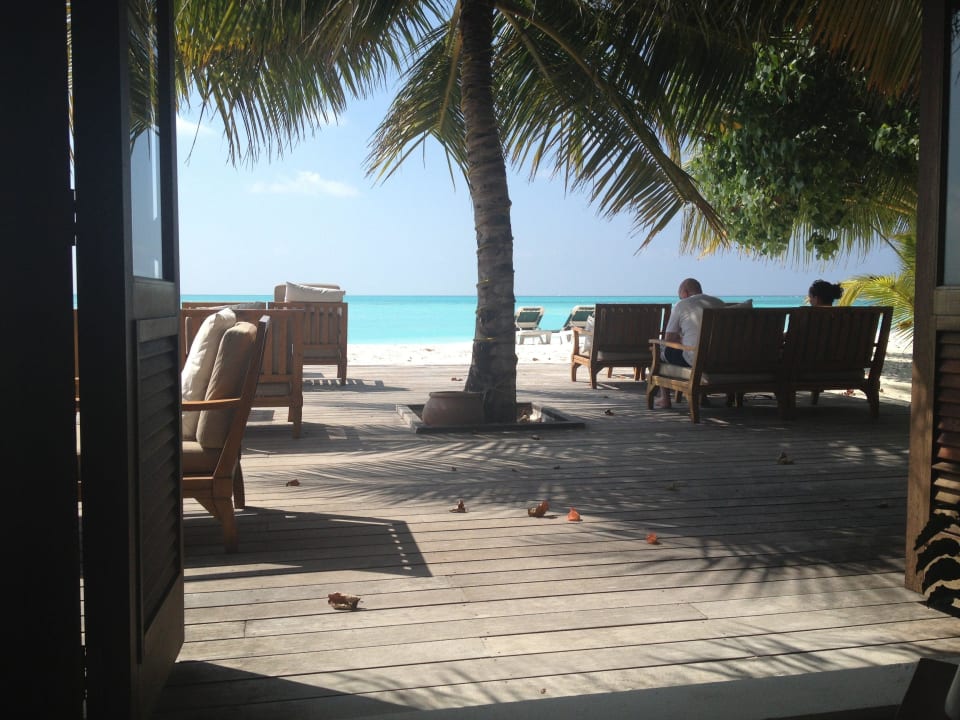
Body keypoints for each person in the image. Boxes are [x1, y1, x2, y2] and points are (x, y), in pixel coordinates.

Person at [654, 278, 726, 409]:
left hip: (695, 360)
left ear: (685, 293)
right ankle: (702, 397)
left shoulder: (682, 305)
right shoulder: (720, 303)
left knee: (660, 349)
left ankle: (665, 399)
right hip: (721, 358)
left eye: (680, 296)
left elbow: (669, 338)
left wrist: (681, 339)